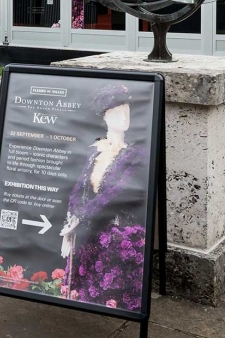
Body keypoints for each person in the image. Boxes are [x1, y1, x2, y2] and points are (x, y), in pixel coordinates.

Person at [59, 83, 148, 311]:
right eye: (117, 112)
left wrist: (80, 218)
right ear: (106, 117)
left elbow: (116, 192)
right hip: (89, 230)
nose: (124, 117)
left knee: (111, 291)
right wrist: (71, 217)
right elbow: (80, 186)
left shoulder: (135, 155)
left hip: (119, 234)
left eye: (126, 111)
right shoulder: (96, 150)